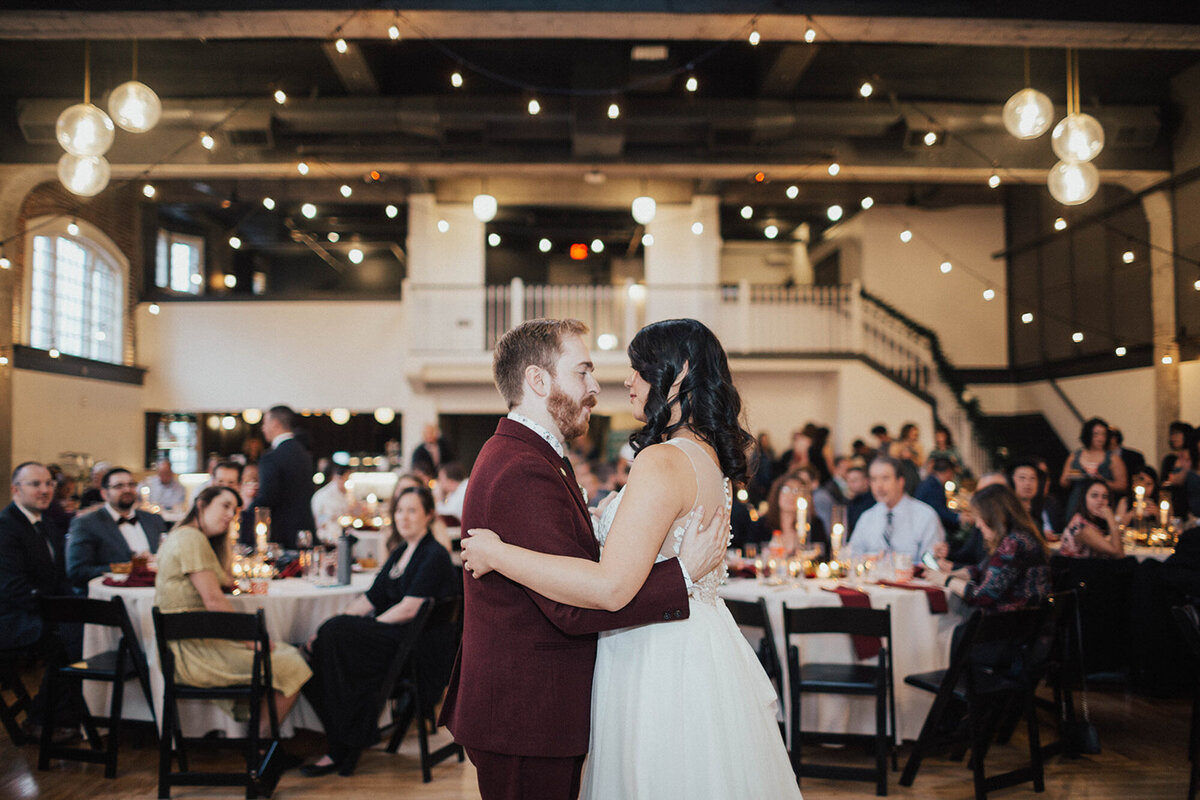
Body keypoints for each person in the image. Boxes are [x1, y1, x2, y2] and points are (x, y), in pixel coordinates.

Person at [458, 318, 801, 800]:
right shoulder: (709, 461)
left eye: (639, 368)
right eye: (585, 372)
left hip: (655, 661)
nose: (617, 382)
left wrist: (501, 553)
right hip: (683, 655)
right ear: (537, 380)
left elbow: (609, 585)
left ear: (678, 376)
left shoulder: (660, 461)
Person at [300, 486, 459, 777]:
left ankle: (343, 744)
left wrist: (363, 628)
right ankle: (347, 738)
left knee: (335, 639)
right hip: (396, 639)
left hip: (414, 648)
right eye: (400, 510)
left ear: (429, 515)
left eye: (412, 510)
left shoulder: (432, 554)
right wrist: (332, 626)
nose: (404, 517)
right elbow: (369, 599)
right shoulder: (400, 551)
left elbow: (410, 608)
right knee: (321, 647)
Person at [154, 487, 311, 770]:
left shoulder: (188, 537)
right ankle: (259, 747)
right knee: (293, 662)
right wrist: (252, 642)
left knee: (285, 655)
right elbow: (213, 601)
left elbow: (222, 581)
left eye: (235, 511)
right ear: (201, 504)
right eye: (224, 506)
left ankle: (258, 744)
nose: (230, 516)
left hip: (191, 644)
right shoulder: (190, 538)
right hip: (193, 653)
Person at [0, 462, 81, 740]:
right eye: (35, 484)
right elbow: (12, 589)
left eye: (49, 484)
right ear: (16, 489)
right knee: (70, 636)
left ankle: (66, 714)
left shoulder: (45, 522)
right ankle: (42, 719)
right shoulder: (6, 527)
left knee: (88, 626)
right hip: (11, 617)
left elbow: (59, 577)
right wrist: (58, 610)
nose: (45, 490)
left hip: (40, 610)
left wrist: (75, 603)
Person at [926, 484, 1051, 612]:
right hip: (1026, 618)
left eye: (980, 517)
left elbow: (983, 596)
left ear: (994, 517)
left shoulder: (1014, 543)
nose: (978, 525)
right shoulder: (1019, 536)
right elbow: (981, 570)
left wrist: (947, 580)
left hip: (1012, 623)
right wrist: (949, 574)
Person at [66, 467, 169, 590]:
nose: (127, 489)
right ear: (104, 493)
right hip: (112, 597)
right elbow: (77, 571)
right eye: (119, 486)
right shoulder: (86, 524)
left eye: (131, 485)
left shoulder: (153, 520)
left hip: (157, 591)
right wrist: (127, 568)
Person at [845, 455, 943, 560]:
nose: (879, 486)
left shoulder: (925, 516)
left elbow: (931, 562)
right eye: (874, 479)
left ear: (900, 481)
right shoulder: (867, 517)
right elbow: (852, 554)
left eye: (885, 478)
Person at [250, 405, 316, 549]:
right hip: (305, 529)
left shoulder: (272, 457)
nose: (263, 428)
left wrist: (246, 511)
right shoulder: (304, 454)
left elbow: (268, 498)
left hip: (282, 535)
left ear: (275, 424)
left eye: (265, 423)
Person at [1060, 417, 1127, 520]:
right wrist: (1071, 477)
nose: (1100, 438)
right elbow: (1063, 482)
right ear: (1088, 435)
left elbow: (1122, 485)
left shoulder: (1113, 459)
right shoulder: (1074, 456)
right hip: (1077, 502)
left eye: (1103, 434)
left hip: (1101, 503)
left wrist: (1103, 481)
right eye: (1096, 434)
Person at [758, 467, 830, 557]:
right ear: (777, 494)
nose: (791, 495)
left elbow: (823, 555)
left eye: (797, 491)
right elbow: (751, 553)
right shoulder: (762, 524)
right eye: (786, 489)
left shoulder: (814, 524)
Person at [1059, 478, 1124, 558]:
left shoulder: (1090, 522)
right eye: (1094, 495)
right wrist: (1111, 519)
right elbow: (1118, 554)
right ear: (1084, 499)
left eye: (1104, 497)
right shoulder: (1081, 526)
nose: (1100, 501)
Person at [915, 458, 968, 535]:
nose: (952, 477)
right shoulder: (933, 485)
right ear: (948, 472)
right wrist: (958, 517)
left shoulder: (932, 482)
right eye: (952, 474)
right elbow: (938, 510)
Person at [311, 464, 352, 544]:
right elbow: (319, 520)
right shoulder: (323, 495)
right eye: (346, 478)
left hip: (342, 537)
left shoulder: (345, 495)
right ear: (338, 477)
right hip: (327, 538)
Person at [844, 463, 873, 536]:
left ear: (866, 481)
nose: (850, 484)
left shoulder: (873, 503)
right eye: (848, 481)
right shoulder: (849, 503)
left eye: (854, 481)